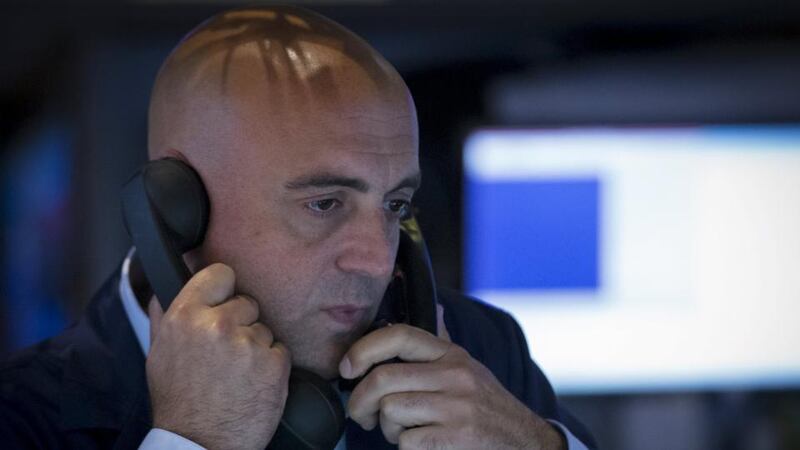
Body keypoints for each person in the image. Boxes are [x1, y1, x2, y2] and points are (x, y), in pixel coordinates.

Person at [0, 6, 596, 450]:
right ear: (174, 211)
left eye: (396, 207)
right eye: (325, 204)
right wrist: (191, 440)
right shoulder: (26, 414)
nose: (376, 261)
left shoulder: (480, 350)